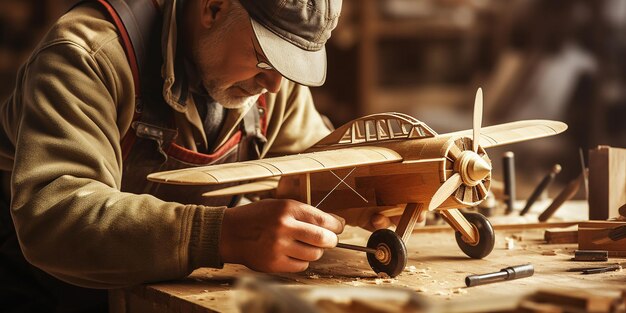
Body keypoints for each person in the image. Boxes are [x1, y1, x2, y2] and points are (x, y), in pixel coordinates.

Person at [0, 0, 399, 311]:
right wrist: (219, 234)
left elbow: (312, 164)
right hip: (46, 286)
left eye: (290, 64)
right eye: (266, 57)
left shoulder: (268, 83)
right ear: (214, 8)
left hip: (161, 288)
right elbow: (54, 214)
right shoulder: (87, 56)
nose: (276, 85)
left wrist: (363, 196)